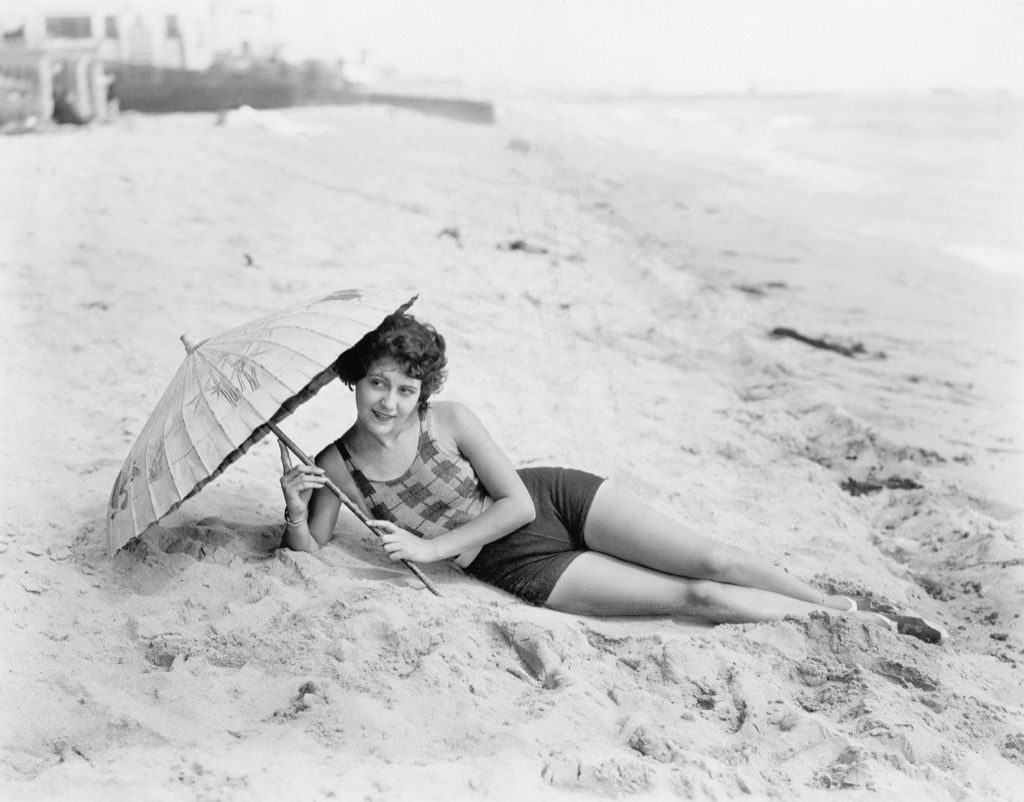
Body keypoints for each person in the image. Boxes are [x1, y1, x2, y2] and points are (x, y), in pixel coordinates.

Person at [278, 313, 947, 643]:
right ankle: (842, 627)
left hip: (551, 498)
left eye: (405, 387)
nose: (390, 402)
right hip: (516, 567)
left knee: (716, 557)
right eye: (376, 385)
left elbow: (512, 503)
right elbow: (310, 552)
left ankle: (835, 608)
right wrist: (294, 505)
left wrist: (428, 548)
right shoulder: (336, 464)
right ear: (353, 382)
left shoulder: (448, 419)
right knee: (696, 597)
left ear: (424, 389)